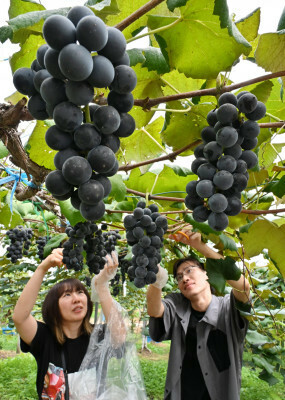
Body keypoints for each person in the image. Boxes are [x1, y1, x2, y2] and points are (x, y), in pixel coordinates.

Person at [12, 248, 132, 400]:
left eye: (80, 292)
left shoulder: (98, 336)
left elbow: (119, 336)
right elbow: (19, 318)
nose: (77, 299)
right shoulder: (44, 337)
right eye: (67, 295)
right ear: (53, 306)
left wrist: (102, 286)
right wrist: (42, 268)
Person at [146, 226, 251, 400]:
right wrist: (156, 280)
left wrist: (201, 246)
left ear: (207, 274)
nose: (184, 278)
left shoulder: (227, 308)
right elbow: (155, 310)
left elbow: (244, 288)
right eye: (179, 277)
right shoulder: (178, 304)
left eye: (189, 271)